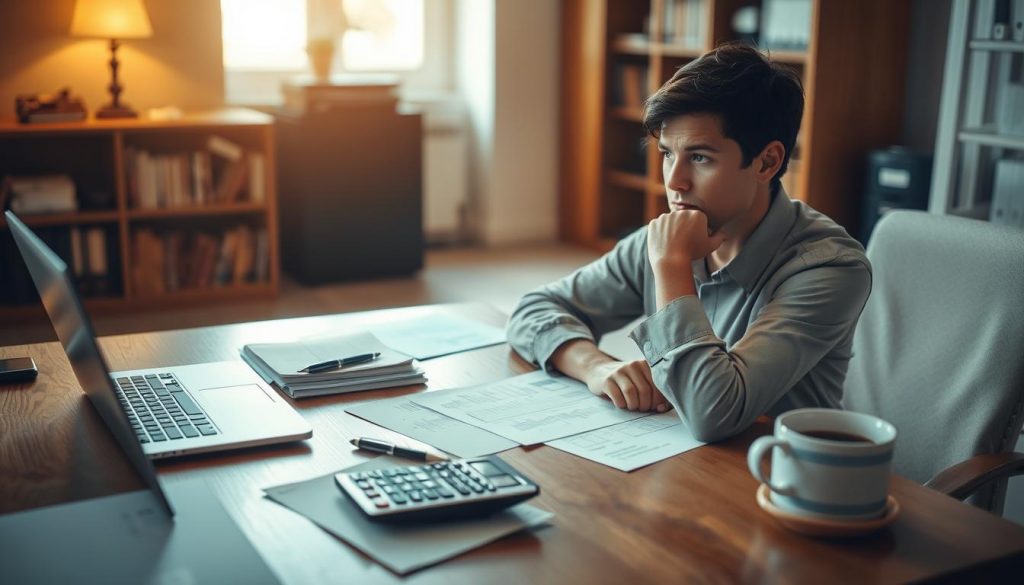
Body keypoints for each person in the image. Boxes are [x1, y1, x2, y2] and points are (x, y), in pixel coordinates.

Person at [507, 43, 872, 442]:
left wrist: (671, 269)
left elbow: (712, 413)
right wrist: (594, 366)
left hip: (779, 480)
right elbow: (534, 309)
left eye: (699, 158)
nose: (673, 181)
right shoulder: (669, 237)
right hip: (677, 467)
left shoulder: (828, 268)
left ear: (766, 162)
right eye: (667, 154)